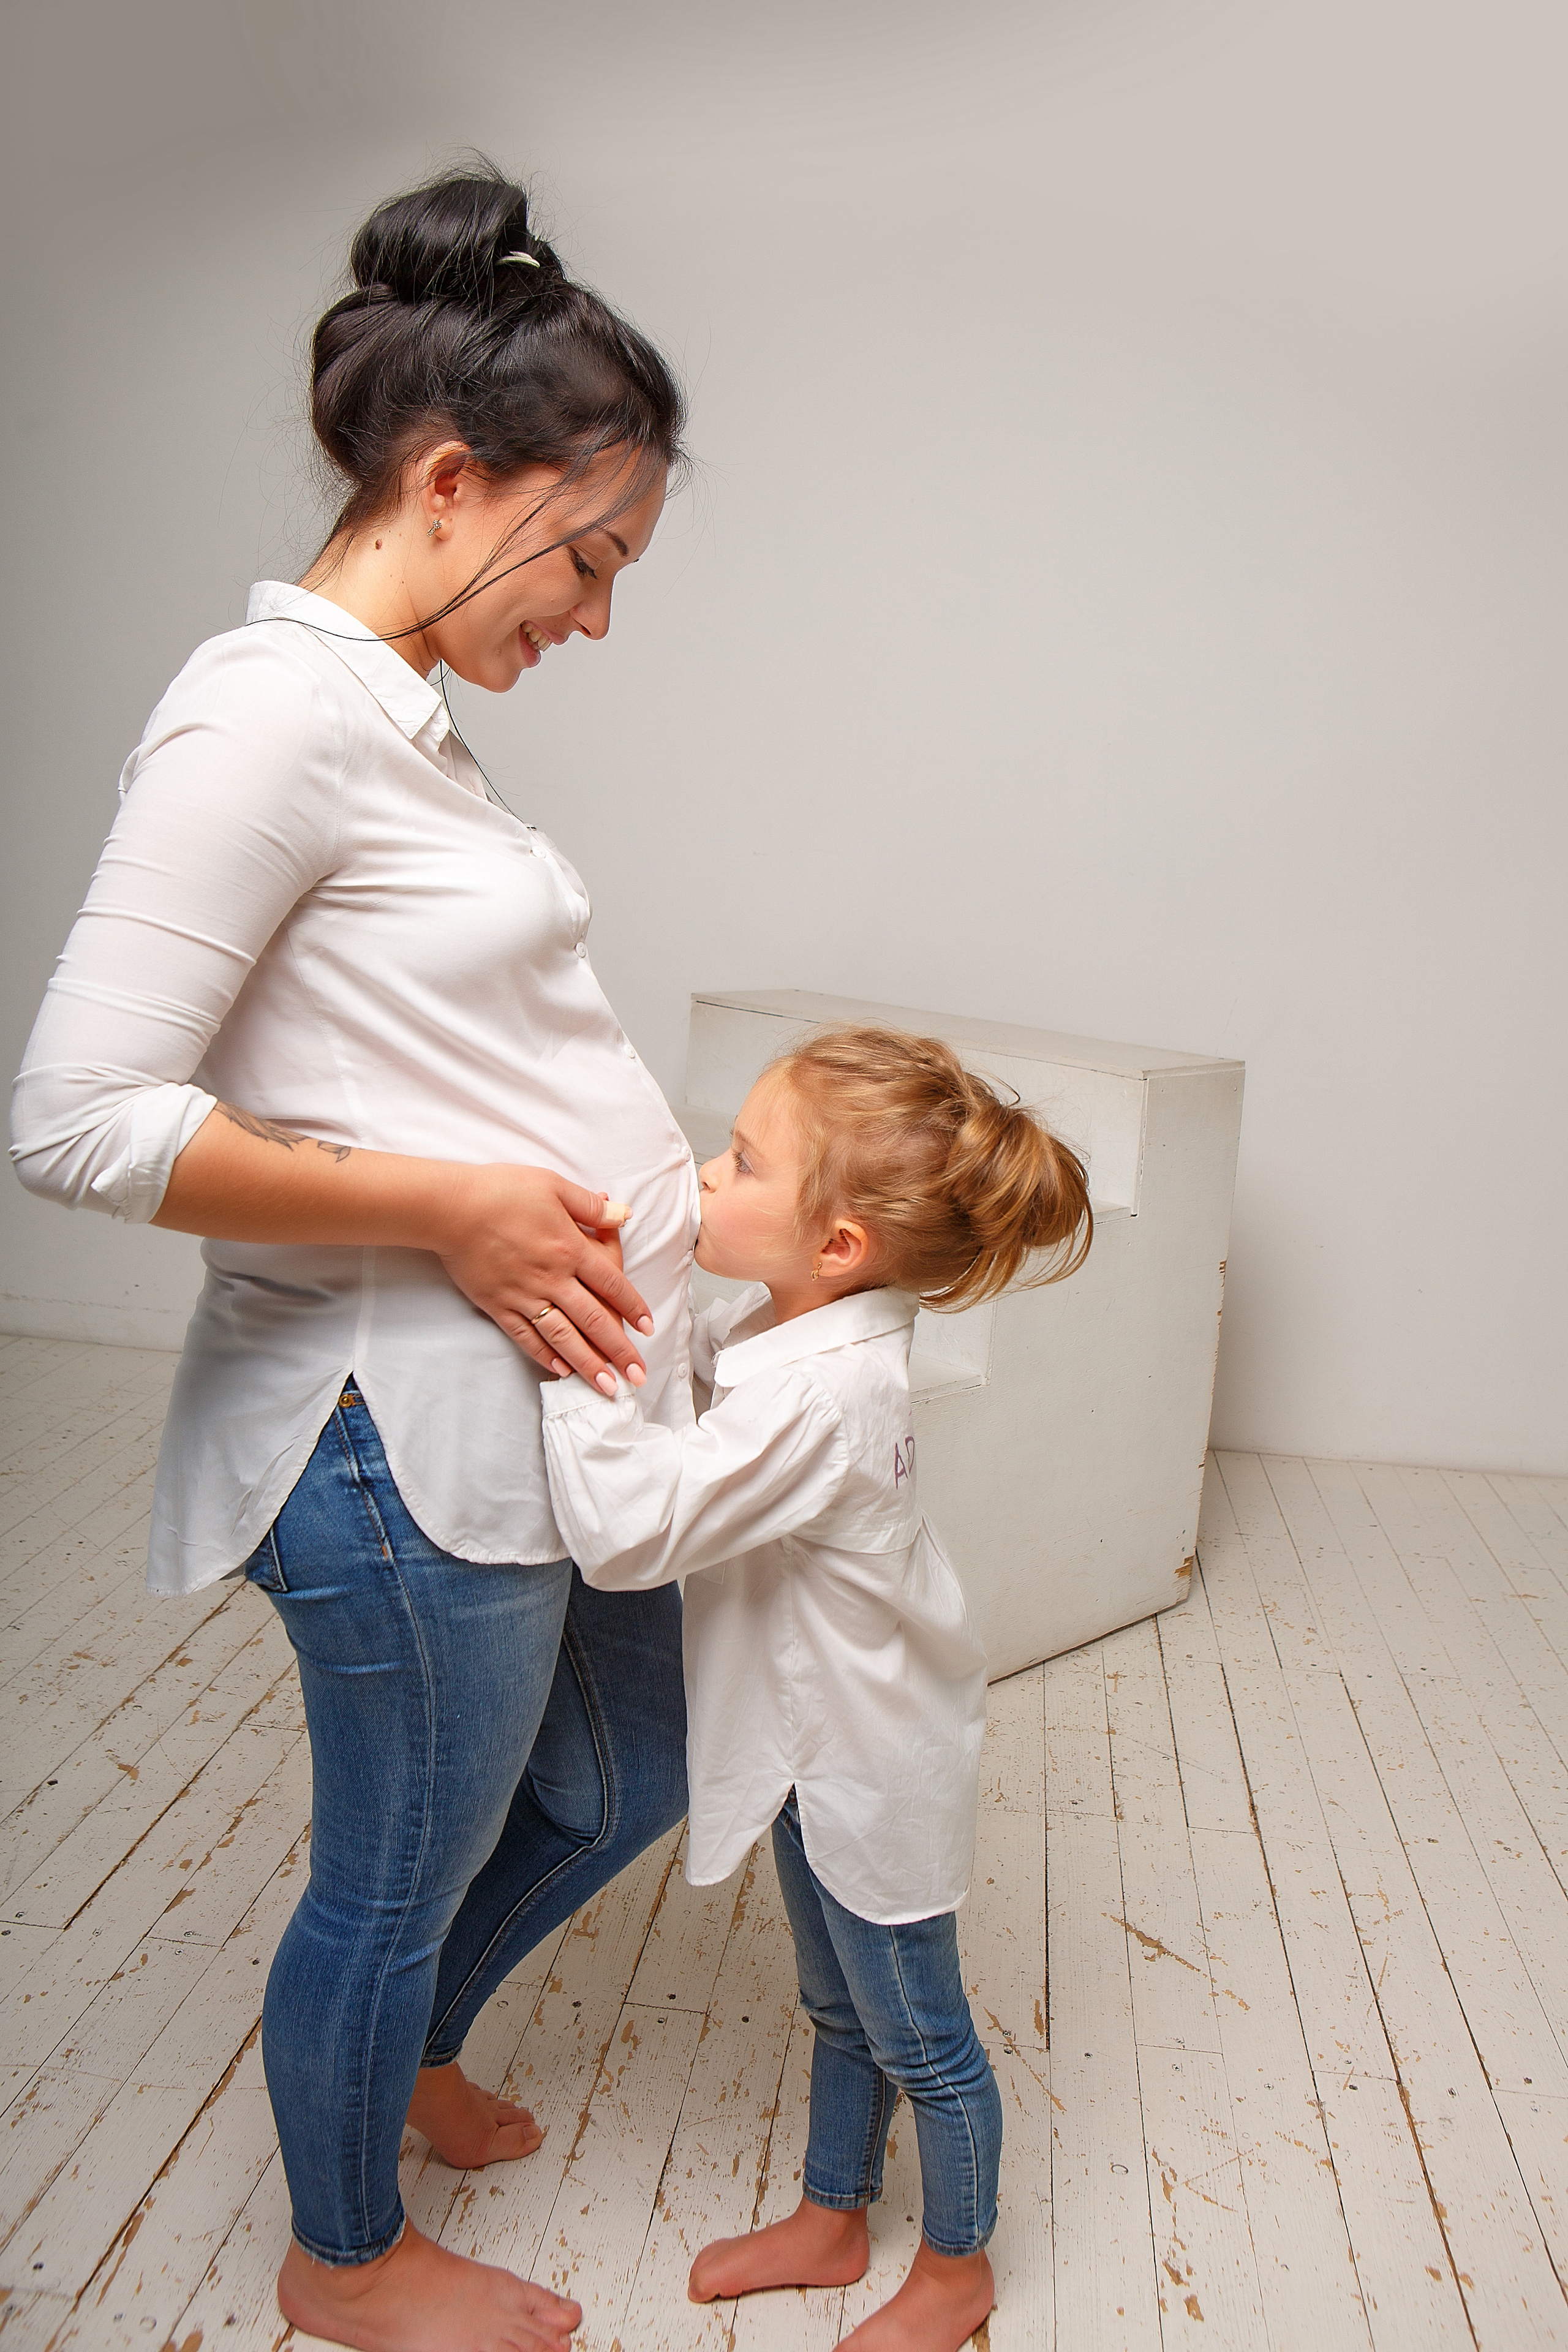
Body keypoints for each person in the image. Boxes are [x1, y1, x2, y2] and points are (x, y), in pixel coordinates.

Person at [10, 164, 700, 2352]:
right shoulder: (263, 716)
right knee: (391, 1867)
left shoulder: (392, 721)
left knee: (634, 1774)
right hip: (386, 1433)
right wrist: (459, 1203)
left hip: (532, 1410)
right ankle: (342, 2250)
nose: (597, 616)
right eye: (588, 555)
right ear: (447, 476)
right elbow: (79, 1118)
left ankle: (397, 2048)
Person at [540, 1025, 1093, 2352]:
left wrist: (573, 1353)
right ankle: (834, 2215)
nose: (700, 1175)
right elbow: (701, 1402)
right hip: (807, 1743)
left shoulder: (824, 1395)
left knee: (921, 2035)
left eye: (736, 1163)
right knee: (839, 2006)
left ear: (837, 1245)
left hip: (867, 1761)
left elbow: (629, 1526)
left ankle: (956, 2274)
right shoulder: (789, 1324)